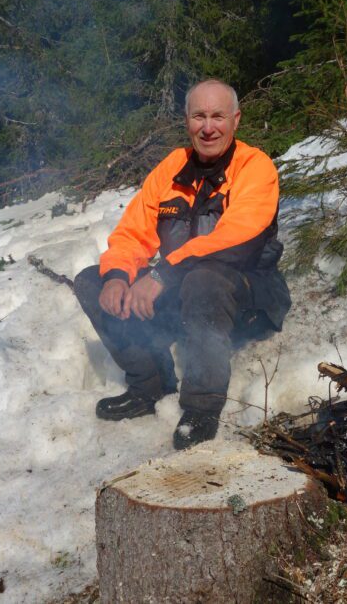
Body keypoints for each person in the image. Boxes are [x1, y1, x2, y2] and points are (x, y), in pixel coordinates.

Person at [73, 79, 291, 449]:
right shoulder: (172, 168)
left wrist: (162, 273)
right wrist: (116, 277)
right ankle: (148, 385)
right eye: (199, 116)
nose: (208, 127)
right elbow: (131, 233)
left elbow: (236, 240)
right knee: (92, 281)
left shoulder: (255, 167)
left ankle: (201, 407)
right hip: (184, 294)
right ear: (187, 121)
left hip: (246, 299)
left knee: (204, 278)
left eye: (218, 116)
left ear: (235, 120)